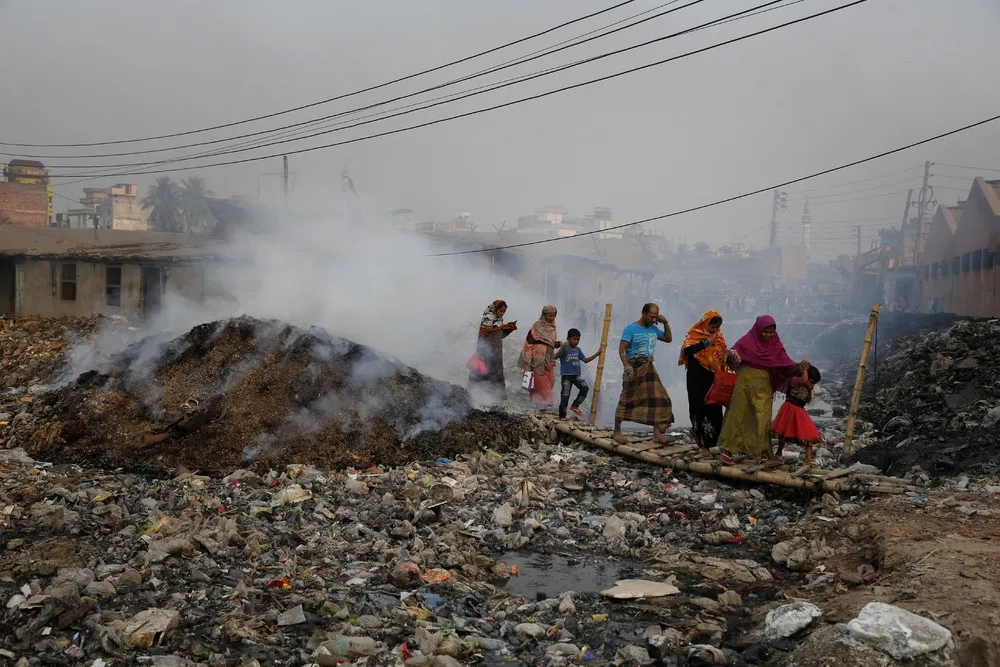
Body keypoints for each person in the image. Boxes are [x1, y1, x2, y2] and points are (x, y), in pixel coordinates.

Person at [718, 315, 803, 465]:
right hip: (743, 383)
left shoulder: (775, 345)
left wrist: (800, 367)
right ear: (758, 330)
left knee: (763, 417)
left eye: (771, 332)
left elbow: (785, 364)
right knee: (737, 415)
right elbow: (732, 356)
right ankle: (727, 450)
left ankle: (763, 451)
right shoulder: (746, 341)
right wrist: (729, 356)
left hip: (763, 385)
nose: (769, 335)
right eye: (766, 332)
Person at [613, 303, 674, 444]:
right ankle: (617, 431)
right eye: (652, 316)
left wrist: (665, 322)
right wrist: (626, 365)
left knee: (659, 398)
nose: (654, 319)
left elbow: (668, 338)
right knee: (626, 398)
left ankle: (657, 433)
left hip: (648, 366)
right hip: (633, 367)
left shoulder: (654, 329)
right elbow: (622, 349)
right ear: (644, 313)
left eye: (656, 317)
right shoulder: (630, 329)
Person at [678, 310, 735, 457]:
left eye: (716, 328)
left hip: (713, 379)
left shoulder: (719, 338)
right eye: (712, 327)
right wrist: (706, 342)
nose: (714, 331)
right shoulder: (694, 335)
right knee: (699, 408)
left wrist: (730, 357)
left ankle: (714, 443)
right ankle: (704, 445)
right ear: (705, 324)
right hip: (696, 379)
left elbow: (722, 356)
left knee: (714, 410)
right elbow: (687, 350)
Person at [772, 363, 823, 464]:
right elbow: (803, 380)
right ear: (805, 376)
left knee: (809, 433)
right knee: (783, 432)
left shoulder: (807, 386)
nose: (812, 385)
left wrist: (809, 389)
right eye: (811, 382)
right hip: (790, 408)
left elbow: (807, 400)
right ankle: (778, 453)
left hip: (800, 409)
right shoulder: (795, 380)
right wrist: (805, 369)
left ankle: (808, 457)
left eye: (814, 384)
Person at [470, 300, 517, 400]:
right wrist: (500, 328)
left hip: (496, 350)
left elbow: (499, 335)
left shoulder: (499, 319)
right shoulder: (488, 317)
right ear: (495, 309)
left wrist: (508, 328)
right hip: (485, 349)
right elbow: (484, 333)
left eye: (504, 312)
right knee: (485, 369)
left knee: (496, 370)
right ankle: (480, 394)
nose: (502, 314)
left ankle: (496, 395)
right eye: (500, 311)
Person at [517, 305, 560, 408]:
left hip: (548, 357)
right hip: (537, 357)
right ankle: (548, 400)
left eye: (553, 316)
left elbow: (551, 343)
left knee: (550, 380)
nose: (551, 318)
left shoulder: (552, 327)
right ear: (544, 315)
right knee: (540, 379)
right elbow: (531, 339)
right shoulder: (537, 325)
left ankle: (536, 400)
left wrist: (559, 344)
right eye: (549, 316)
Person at [556, 327, 601, 419]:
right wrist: (562, 347)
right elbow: (555, 356)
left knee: (585, 388)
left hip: (576, 375)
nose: (576, 341)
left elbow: (585, 360)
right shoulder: (565, 349)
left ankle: (575, 405)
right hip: (566, 376)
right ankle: (562, 415)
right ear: (568, 339)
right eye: (574, 339)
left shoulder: (578, 350)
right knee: (565, 395)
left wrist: (597, 354)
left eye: (578, 339)